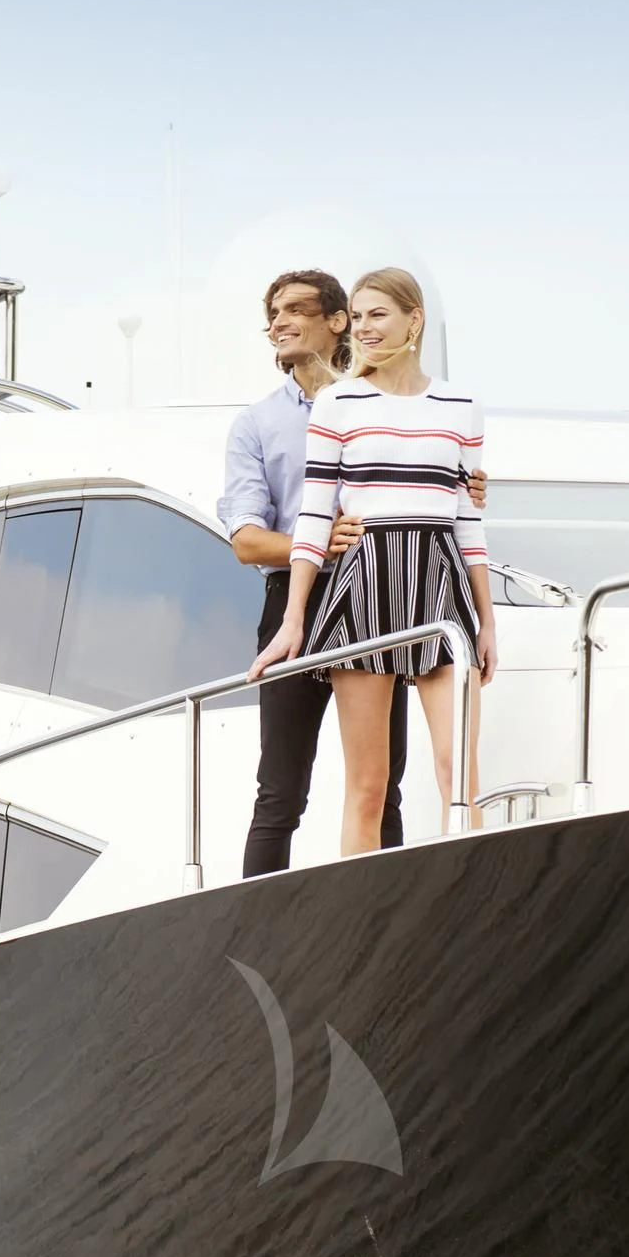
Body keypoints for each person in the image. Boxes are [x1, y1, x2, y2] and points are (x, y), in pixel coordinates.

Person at [253, 268, 494, 854]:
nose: (365, 329)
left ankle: (472, 912)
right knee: (369, 787)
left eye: (377, 315)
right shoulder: (337, 403)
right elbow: (313, 517)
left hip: (441, 584)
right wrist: (294, 621)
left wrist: (488, 623)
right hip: (366, 585)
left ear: (414, 319)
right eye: (357, 318)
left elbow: (468, 519)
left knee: (458, 775)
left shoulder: (461, 406)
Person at [219, 271, 408, 876]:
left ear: (338, 320)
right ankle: (257, 936)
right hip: (290, 606)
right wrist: (320, 545)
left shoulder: (390, 402)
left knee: (382, 791)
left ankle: (391, 925)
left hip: (377, 599)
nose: (278, 321)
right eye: (271, 312)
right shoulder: (255, 424)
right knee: (279, 795)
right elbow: (247, 541)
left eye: (295, 308)